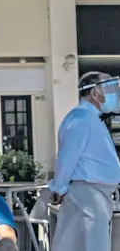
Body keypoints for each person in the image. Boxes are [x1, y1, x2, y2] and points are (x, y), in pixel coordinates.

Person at [49, 72, 120, 251]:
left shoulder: (89, 118)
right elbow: (67, 158)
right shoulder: (81, 118)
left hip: (93, 194)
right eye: (107, 88)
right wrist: (59, 188)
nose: (112, 93)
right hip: (86, 195)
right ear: (95, 93)